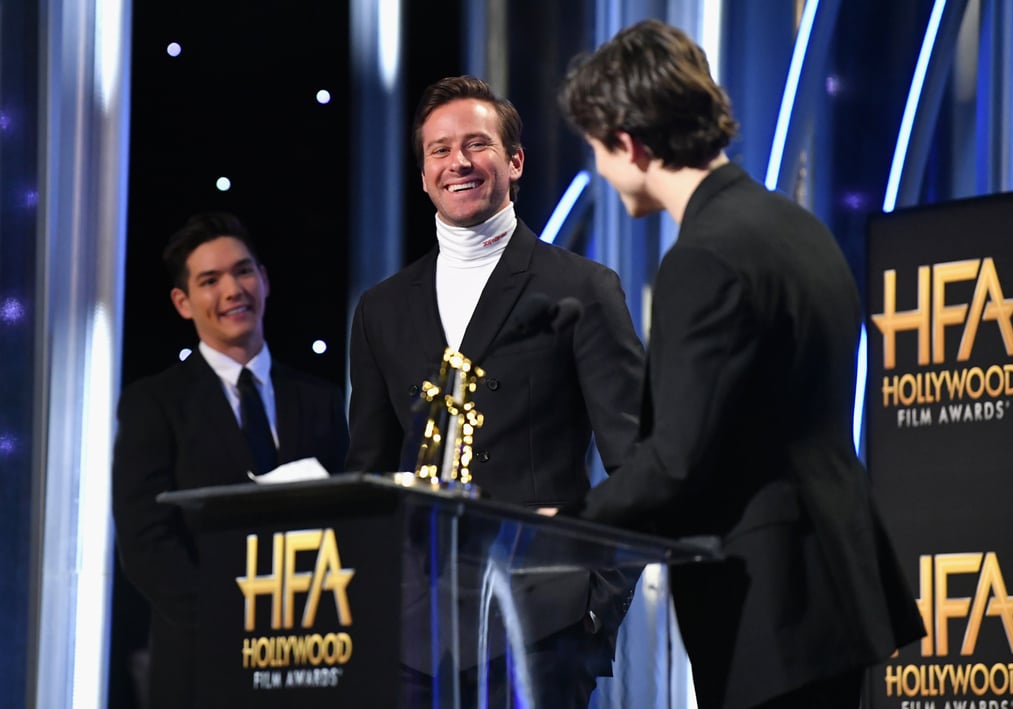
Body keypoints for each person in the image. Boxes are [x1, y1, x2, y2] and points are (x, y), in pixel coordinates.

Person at [554, 19, 925, 709]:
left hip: (772, 608)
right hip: (835, 587)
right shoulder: (797, 226)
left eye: (596, 150)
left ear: (629, 143)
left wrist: (566, 521)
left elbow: (676, 462)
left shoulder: (702, 258)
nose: (600, 171)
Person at [345, 76, 645, 707]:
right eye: (439, 149)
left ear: (513, 162)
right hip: (409, 640)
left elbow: (638, 468)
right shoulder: (380, 310)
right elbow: (367, 477)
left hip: (541, 629)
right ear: (424, 173)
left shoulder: (584, 288)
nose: (457, 162)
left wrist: (596, 610)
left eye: (476, 144)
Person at [111, 212, 349, 709]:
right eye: (209, 280)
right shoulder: (154, 404)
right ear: (183, 302)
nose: (232, 290)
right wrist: (233, 624)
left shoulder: (321, 399)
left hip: (313, 659)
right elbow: (145, 541)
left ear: (264, 279)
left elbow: (347, 523)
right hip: (201, 660)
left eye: (243, 271)